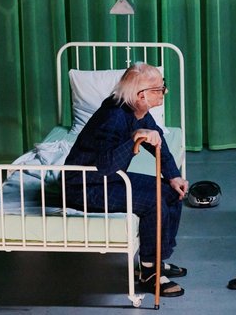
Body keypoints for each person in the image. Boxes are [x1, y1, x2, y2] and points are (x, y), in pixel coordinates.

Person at [65, 63, 189, 298]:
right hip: (84, 185)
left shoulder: (137, 111)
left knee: (172, 193)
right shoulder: (113, 117)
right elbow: (105, 166)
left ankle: (157, 259)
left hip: (110, 179)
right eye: (159, 89)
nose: (165, 91)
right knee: (153, 202)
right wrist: (134, 139)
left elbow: (158, 144)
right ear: (141, 95)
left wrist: (173, 176)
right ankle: (149, 273)